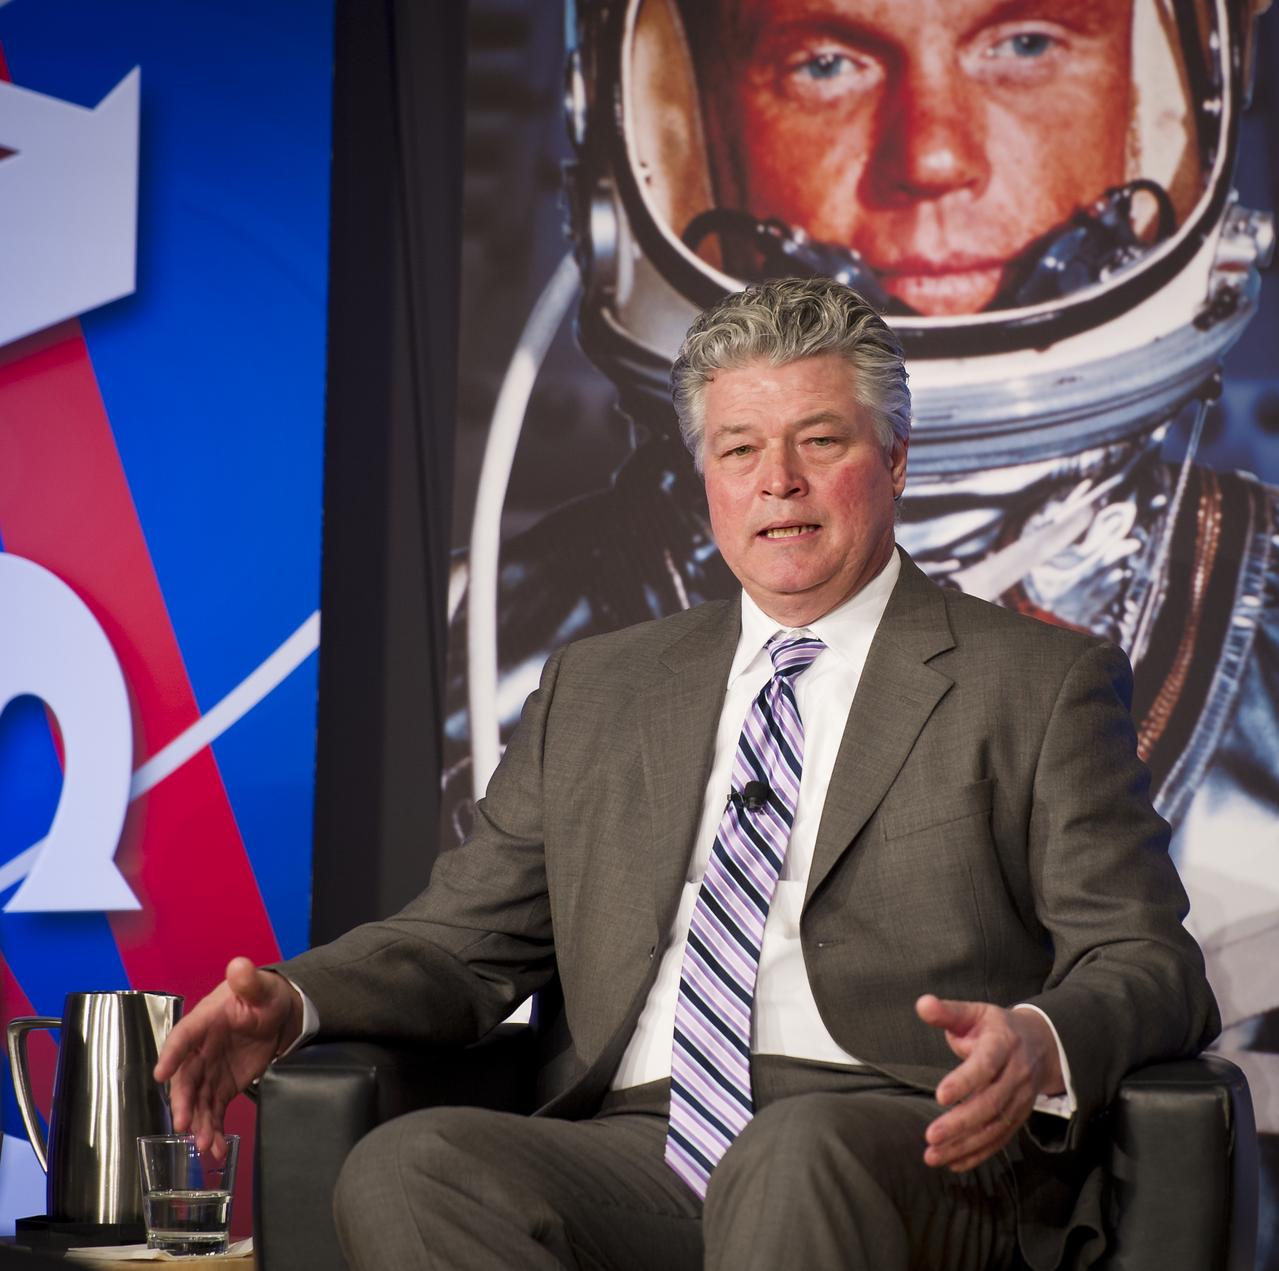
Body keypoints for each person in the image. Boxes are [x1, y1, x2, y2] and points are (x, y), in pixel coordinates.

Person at [161, 279, 1217, 1271]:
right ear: (704, 475)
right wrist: (295, 1001)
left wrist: (1038, 1040)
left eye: (819, 441)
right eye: (739, 447)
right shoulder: (599, 685)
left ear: (895, 458)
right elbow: (458, 943)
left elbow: (1146, 956)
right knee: (412, 1167)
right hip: (644, 1138)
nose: (777, 480)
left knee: (791, 1154)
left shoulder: (1035, 680)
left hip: (915, 1137)